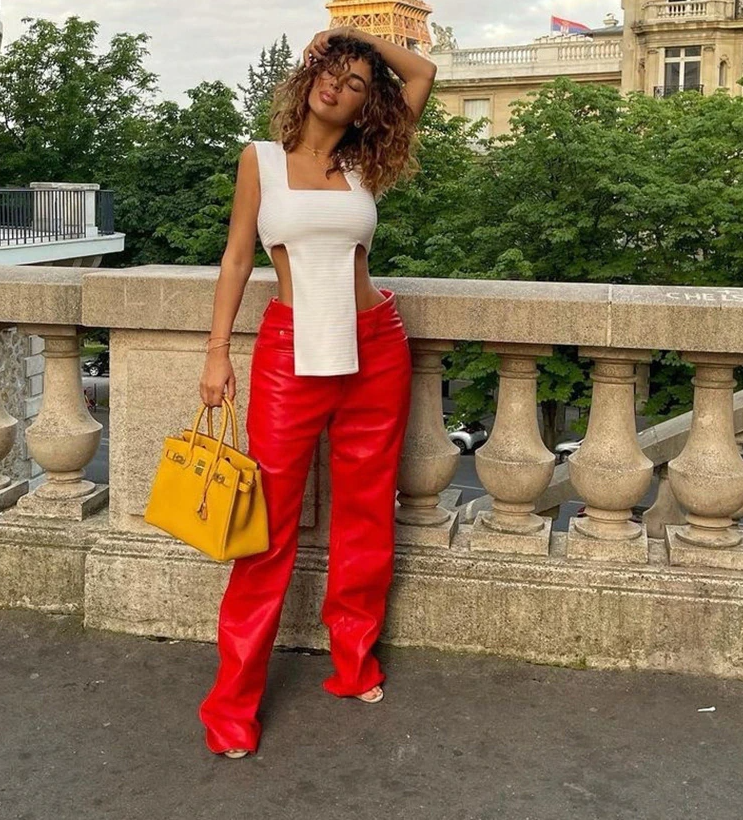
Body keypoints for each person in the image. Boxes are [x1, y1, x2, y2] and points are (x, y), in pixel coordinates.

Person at [197, 25, 436, 759]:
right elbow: (237, 257)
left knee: (366, 513)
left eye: (357, 82)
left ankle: (354, 662)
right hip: (288, 353)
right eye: (332, 71)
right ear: (309, 78)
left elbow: (421, 73)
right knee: (265, 530)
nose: (339, 85)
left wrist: (356, 36)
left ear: (367, 105)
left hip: (376, 348)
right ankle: (231, 706)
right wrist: (217, 352)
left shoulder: (364, 163)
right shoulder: (261, 160)